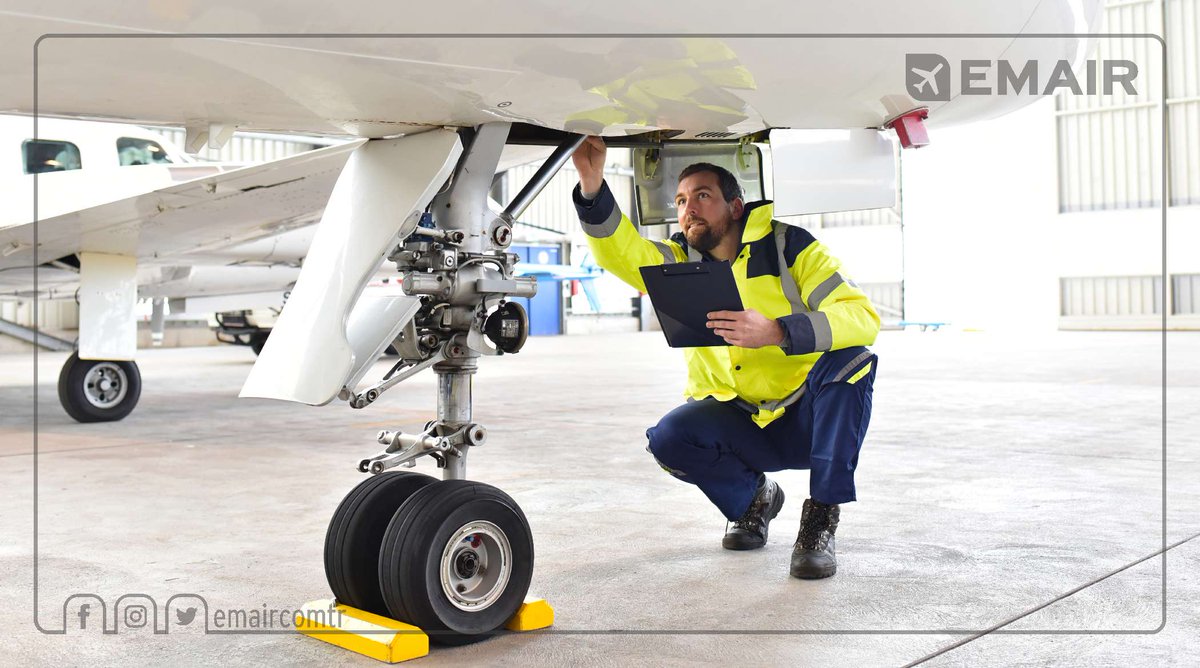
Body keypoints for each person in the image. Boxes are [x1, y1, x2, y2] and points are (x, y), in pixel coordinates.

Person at [570, 136, 880, 579]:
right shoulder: (677, 259)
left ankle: (820, 519)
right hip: (737, 421)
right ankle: (754, 500)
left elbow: (862, 317)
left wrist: (778, 331)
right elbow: (621, 252)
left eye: (702, 196)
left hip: (806, 418)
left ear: (735, 207)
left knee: (853, 359)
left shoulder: (789, 247)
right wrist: (592, 183)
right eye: (680, 200)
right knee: (669, 438)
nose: (688, 208)